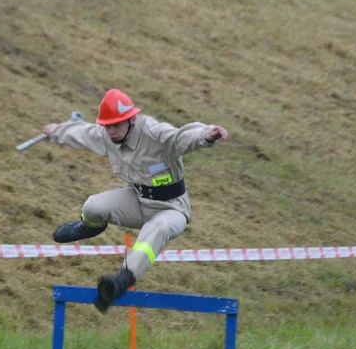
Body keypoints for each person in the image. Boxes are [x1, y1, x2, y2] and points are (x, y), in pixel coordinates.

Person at [42, 90, 229, 313]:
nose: (111, 131)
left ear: (131, 119)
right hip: (138, 200)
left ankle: (120, 282)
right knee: (93, 206)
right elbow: (84, 133)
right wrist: (56, 131)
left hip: (172, 208)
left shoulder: (154, 132)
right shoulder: (105, 134)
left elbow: (181, 137)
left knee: (156, 229)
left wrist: (207, 135)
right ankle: (89, 227)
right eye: (107, 126)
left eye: (116, 125)